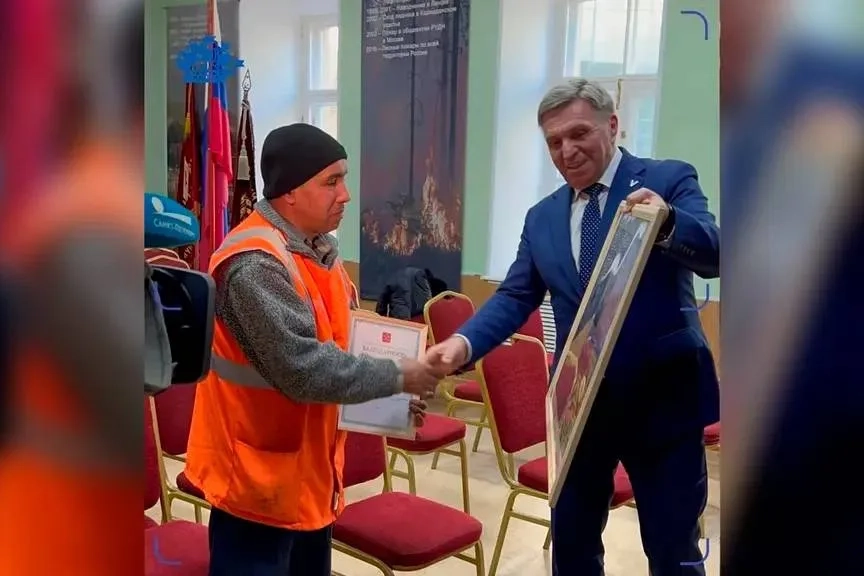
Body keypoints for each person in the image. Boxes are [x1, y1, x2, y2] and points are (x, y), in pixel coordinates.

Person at [426, 79, 720, 575]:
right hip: (578, 411)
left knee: (674, 552)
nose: (567, 150)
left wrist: (669, 221)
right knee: (573, 546)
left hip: (664, 405)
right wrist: (462, 342)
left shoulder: (668, 180)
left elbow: (715, 250)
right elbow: (516, 294)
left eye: (579, 133)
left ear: (613, 125)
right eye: (554, 142)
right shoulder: (542, 217)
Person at [184, 123, 442, 576]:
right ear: (289, 192)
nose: (345, 195)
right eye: (331, 182)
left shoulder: (319, 253)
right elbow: (303, 369)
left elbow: (344, 348)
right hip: (255, 488)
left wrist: (394, 403)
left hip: (310, 479)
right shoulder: (254, 264)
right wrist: (399, 375)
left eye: (344, 179)